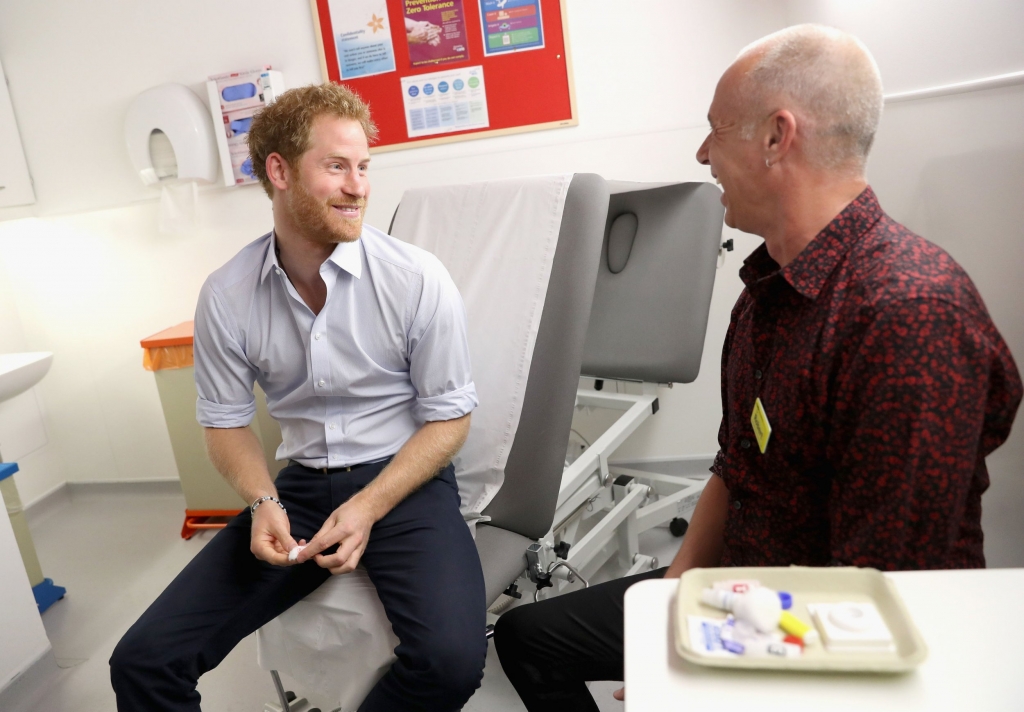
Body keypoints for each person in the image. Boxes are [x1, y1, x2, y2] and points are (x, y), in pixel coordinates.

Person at [494, 23, 1022, 711]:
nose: (703, 152)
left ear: (778, 137)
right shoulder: (768, 293)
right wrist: (668, 606)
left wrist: (699, 672)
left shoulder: (907, 316)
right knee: (527, 638)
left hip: (841, 628)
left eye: (718, 128)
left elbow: (877, 598)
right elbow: (737, 462)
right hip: (744, 587)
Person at [110, 83, 487, 711]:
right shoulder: (228, 295)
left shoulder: (416, 280)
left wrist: (368, 505)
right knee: (144, 662)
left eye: (364, 167)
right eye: (337, 166)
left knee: (449, 664)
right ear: (279, 171)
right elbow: (226, 425)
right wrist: (262, 500)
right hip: (304, 489)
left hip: (405, 483)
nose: (359, 186)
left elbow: (450, 420)